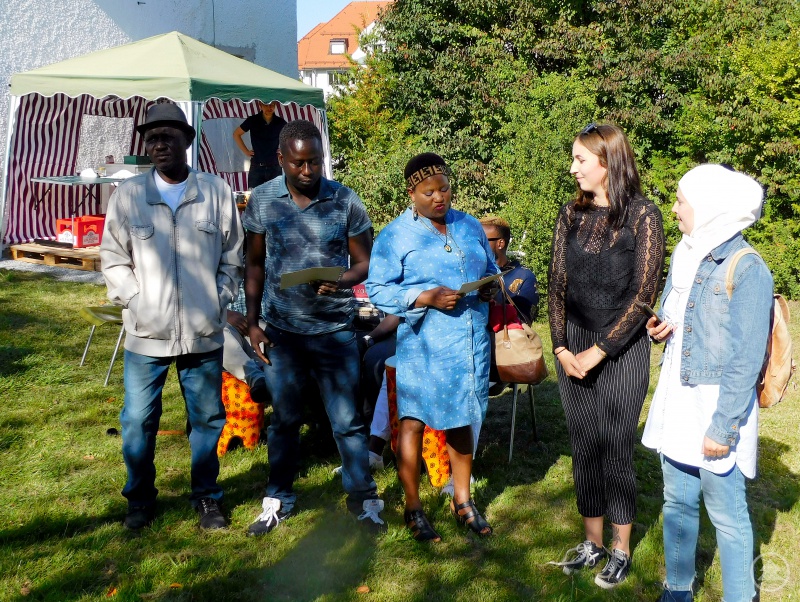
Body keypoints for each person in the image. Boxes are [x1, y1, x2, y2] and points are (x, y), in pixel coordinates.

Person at [100, 103, 244, 531]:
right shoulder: (129, 196)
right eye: (152, 137)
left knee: (206, 419)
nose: (159, 144)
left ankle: (207, 499)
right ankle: (140, 499)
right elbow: (112, 257)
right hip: (147, 332)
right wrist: (135, 300)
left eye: (168, 135)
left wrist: (218, 299)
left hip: (203, 333)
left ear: (188, 139)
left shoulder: (215, 191)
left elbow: (233, 256)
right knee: (138, 420)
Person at [242, 119, 384, 535]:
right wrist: (253, 324)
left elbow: (364, 263)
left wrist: (341, 279)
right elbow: (252, 264)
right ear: (280, 159)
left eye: (316, 162)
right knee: (285, 420)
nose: (308, 171)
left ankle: (363, 499)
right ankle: (278, 499)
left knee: (346, 422)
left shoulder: (344, 200)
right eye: (299, 163)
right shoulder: (263, 201)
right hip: (282, 333)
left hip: (334, 333)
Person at [642, 165, 771, 602]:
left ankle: (740, 596)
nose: (674, 208)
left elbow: (746, 359)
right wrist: (663, 326)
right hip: (679, 400)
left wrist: (723, 426)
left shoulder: (747, 266)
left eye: (681, 200)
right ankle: (677, 589)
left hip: (716, 408)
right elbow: (679, 315)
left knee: (727, 514)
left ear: (711, 207)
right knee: (676, 502)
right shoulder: (686, 252)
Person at [547, 123, 665, 587]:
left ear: (607, 163)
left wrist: (599, 351)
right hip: (572, 344)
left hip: (622, 348)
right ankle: (592, 541)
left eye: (580, 159)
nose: (572, 167)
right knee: (584, 445)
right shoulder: (569, 215)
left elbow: (642, 297)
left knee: (616, 446)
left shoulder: (643, 216)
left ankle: (620, 546)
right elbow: (556, 285)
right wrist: (560, 347)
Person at [367, 152, 499, 542]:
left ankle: (463, 500)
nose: (439, 197)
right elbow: (377, 290)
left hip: (470, 342)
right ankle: (413, 507)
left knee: (462, 419)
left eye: (444, 188)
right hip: (425, 345)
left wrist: (490, 285)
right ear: (412, 193)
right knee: (413, 421)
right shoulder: (395, 236)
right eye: (429, 192)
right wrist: (424, 297)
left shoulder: (470, 225)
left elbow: (488, 267)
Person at [480, 216, 540, 322]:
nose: (477, 244)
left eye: (483, 240)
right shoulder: (472, 273)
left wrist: (491, 300)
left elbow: (524, 321)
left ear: (500, 243)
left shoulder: (523, 276)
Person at [233, 101, 287, 189]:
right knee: (253, 197)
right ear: (260, 105)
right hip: (257, 167)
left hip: (274, 167)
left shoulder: (280, 122)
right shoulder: (253, 120)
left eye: (272, 105)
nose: (269, 107)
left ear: (275, 106)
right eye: (266, 104)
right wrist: (246, 151)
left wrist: (284, 150)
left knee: (276, 199)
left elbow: (292, 137)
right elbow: (236, 134)